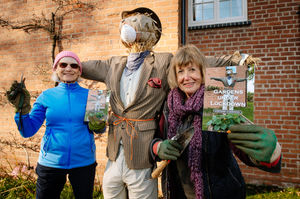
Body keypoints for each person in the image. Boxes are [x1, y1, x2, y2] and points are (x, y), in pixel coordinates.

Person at [82, 7, 261, 199]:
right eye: (182, 73)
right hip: (117, 151)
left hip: (146, 155)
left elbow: (197, 62)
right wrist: (65, 64)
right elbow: (81, 67)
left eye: (135, 22)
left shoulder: (163, 62)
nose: (186, 77)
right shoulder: (114, 64)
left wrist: (235, 60)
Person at [150, 45, 282, 199]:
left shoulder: (218, 101)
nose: (186, 77)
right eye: (181, 71)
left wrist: (270, 154)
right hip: (178, 192)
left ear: (203, 72)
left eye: (192, 70)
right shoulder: (169, 106)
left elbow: (241, 147)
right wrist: (157, 147)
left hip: (220, 192)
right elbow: (156, 138)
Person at [6, 51, 106, 199]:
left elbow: (100, 130)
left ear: (79, 71)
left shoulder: (94, 96)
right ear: (56, 69)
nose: (68, 68)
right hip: (51, 162)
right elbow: (28, 130)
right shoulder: (46, 96)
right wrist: (21, 111)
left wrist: (99, 124)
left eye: (74, 65)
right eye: (63, 64)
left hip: (84, 162)